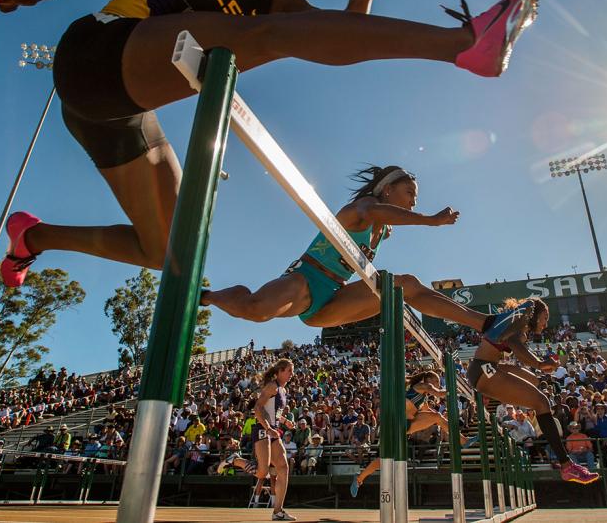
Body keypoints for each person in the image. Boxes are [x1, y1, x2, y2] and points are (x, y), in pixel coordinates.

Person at [0, 0, 539, 288]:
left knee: (172, 250)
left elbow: (332, 42)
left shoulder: (279, 3)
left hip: (117, 113)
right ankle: (466, 42)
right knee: (253, 37)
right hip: (96, 54)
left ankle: (32, 239)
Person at [202, 166, 496, 330]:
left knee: (404, 286)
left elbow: (384, 222)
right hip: (305, 280)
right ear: (387, 190)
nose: (413, 202)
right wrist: (430, 221)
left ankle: (485, 324)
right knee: (256, 310)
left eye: (415, 198)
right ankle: (208, 296)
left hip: (332, 300)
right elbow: (372, 214)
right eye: (409, 194)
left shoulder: (384, 229)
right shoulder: (364, 206)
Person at [466, 298, 599, 485]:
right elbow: (515, 345)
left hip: (485, 368)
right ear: (534, 316)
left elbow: (504, 351)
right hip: (483, 369)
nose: (546, 323)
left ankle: (566, 464)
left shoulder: (516, 327)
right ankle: (566, 464)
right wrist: (538, 363)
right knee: (541, 402)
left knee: (535, 386)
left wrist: (531, 369)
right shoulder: (518, 327)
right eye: (545, 318)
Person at [350, 370, 471, 496]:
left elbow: (428, 410)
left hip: (406, 425)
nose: (438, 384)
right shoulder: (423, 386)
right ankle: (359, 478)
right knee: (384, 459)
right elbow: (440, 393)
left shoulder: (423, 398)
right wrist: (456, 389)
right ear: (428, 380)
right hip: (397, 424)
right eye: (436, 381)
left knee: (437, 417)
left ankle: (463, 440)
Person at [249, 359, 297, 521]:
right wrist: (268, 428)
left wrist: (284, 421)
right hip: (263, 430)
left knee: (283, 468)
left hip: (274, 432)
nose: (292, 374)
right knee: (263, 472)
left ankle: (278, 511)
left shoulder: (282, 390)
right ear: (280, 371)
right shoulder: (272, 386)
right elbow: (257, 408)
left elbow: (274, 412)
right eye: (289, 371)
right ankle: (235, 460)